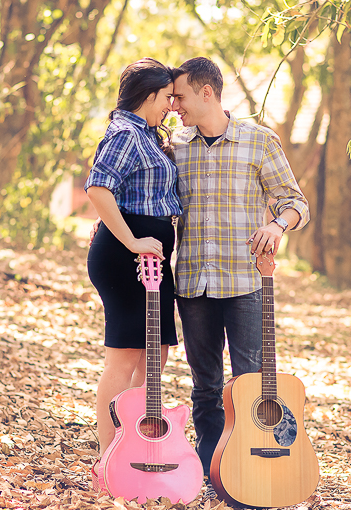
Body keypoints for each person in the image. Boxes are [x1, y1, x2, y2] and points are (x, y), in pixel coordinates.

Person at [169, 57, 310, 479]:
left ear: (206, 93)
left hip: (245, 281)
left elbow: (295, 202)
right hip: (192, 281)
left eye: (180, 95)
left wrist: (277, 223)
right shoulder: (175, 145)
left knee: (250, 382)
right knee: (206, 386)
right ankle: (216, 470)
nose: (175, 104)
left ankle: (254, 469)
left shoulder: (259, 141)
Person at [84, 58, 181, 471]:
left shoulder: (148, 134)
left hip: (151, 257)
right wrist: (131, 239)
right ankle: (110, 455)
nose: (171, 105)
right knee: (124, 357)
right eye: (166, 97)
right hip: (128, 257)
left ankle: (137, 439)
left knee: (155, 355)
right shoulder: (125, 132)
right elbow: (98, 187)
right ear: (148, 94)